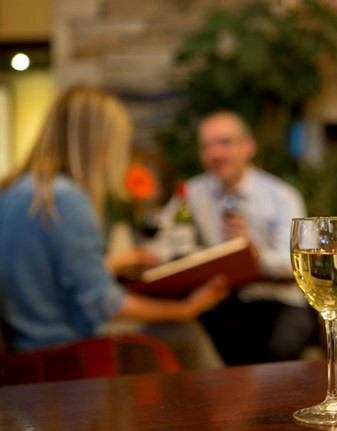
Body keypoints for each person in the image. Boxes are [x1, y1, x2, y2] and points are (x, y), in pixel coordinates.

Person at [0, 85, 230, 369]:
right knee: (184, 333)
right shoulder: (67, 199)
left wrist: (115, 262)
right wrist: (184, 309)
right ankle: (225, 412)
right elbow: (104, 304)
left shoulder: (16, 191)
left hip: (21, 349)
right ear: (97, 142)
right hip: (61, 356)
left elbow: (46, 276)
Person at [159, 110, 317, 365]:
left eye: (224, 143)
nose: (215, 153)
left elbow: (300, 264)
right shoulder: (192, 192)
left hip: (276, 300)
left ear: (248, 147)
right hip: (222, 300)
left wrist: (255, 254)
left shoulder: (282, 197)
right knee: (187, 343)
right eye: (206, 146)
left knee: (278, 351)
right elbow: (164, 239)